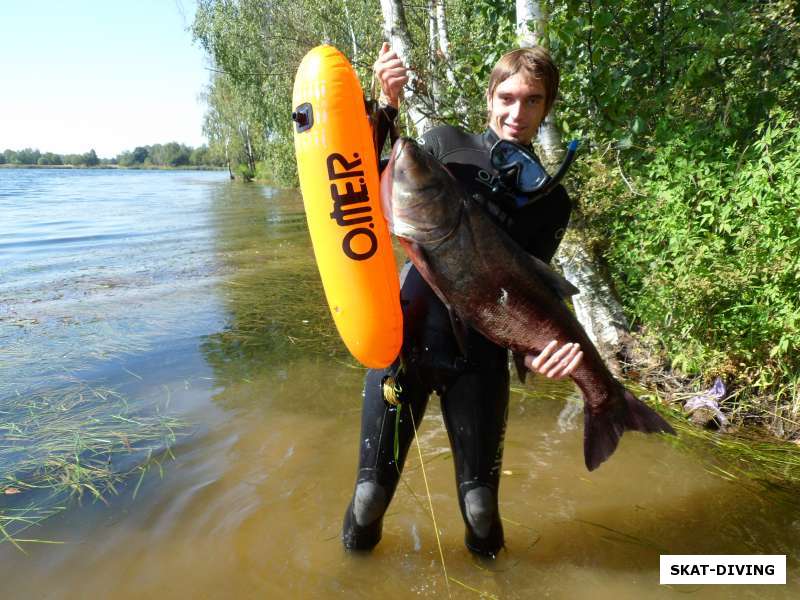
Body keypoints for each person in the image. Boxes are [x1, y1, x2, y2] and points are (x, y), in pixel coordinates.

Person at [342, 42, 583, 558]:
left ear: (547, 108)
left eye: (534, 101)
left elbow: (524, 296)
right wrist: (386, 104)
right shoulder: (443, 144)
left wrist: (538, 354)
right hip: (404, 342)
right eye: (509, 97)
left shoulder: (551, 201)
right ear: (490, 97)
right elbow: (359, 180)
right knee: (368, 499)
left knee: (480, 510)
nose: (518, 112)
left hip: (481, 358)